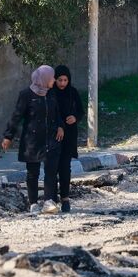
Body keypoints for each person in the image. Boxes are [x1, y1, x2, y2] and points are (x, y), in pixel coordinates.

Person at [2, 65, 64, 214]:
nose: (54, 80)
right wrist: (8, 136)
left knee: (51, 171)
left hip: (51, 139)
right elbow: (16, 116)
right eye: (51, 77)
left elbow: (57, 113)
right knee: (33, 173)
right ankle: (33, 203)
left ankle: (49, 201)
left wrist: (61, 126)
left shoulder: (51, 94)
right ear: (43, 78)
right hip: (33, 140)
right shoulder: (26, 95)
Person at [52, 65, 85, 213]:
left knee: (65, 168)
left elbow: (81, 111)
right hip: (53, 135)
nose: (62, 83)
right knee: (52, 168)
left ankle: (65, 198)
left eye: (65, 80)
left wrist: (75, 118)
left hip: (69, 135)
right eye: (60, 80)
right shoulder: (50, 93)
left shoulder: (73, 92)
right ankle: (51, 198)